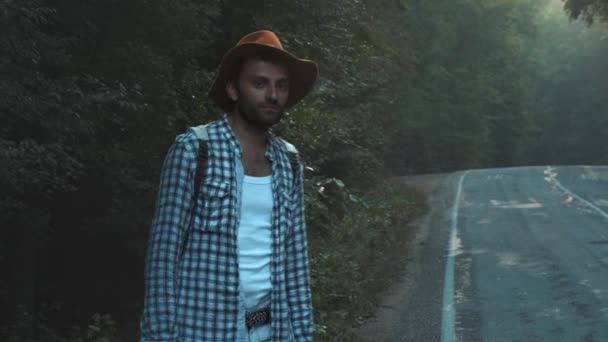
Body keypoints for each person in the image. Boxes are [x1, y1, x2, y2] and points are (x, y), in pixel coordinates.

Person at [140, 30, 318, 342]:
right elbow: (162, 258)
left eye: (281, 85)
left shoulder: (289, 161)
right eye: (259, 83)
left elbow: (296, 264)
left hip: (273, 332)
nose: (272, 95)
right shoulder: (195, 150)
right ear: (234, 89)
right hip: (204, 331)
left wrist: (303, 335)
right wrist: (160, 336)